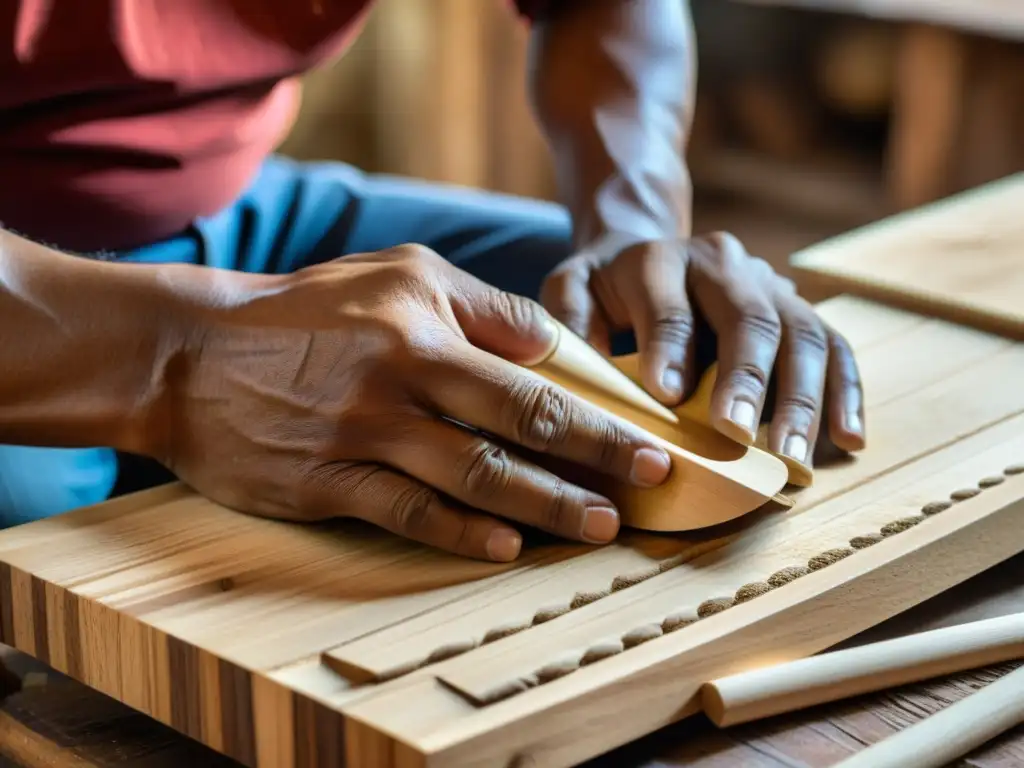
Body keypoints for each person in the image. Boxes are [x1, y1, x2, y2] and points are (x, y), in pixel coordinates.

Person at [0, 0, 864, 562]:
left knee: (647, 325)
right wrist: (177, 362)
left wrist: (634, 230)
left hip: (242, 205)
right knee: (29, 534)